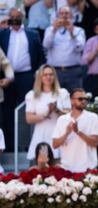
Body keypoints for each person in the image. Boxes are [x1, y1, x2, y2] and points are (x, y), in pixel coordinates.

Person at [0, 8, 45, 151]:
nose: (14, 19)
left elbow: (40, 56)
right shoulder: (2, 34)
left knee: (27, 109)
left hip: (26, 76)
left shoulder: (33, 34)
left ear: (23, 17)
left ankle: (26, 145)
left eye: (17, 16)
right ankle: (10, 146)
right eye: (12, 17)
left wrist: (37, 73)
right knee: (7, 111)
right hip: (8, 79)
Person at [25, 64, 71, 161]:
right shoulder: (32, 95)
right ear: (40, 77)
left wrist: (56, 110)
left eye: (51, 74)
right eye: (45, 75)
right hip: (41, 135)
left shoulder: (62, 93)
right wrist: (46, 113)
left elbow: (69, 114)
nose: (48, 77)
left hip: (59, 134)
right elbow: (29, 118)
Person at [52, 88, 98, 172]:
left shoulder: (93, 117)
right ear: (71, 101)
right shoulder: (62, 119)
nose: (83, 101)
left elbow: (95, 142)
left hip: (88, 168)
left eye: (85, 99)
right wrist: (67, 133)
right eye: (80, 99)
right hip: (67, 169)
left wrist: (78, 132)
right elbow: (55, 144)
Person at [43, 6, 86, 92]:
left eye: (66, 13)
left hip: (73, 71)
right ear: (58, 16)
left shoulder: (79, 30)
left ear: (71, 16)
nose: (64, 16)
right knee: (55, 98)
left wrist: (72, 33)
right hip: (55, 71)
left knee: (74, 98)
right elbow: (46, 45)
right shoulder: (50, 30)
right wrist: (54, 30)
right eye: (61, 14)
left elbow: (80, 48)